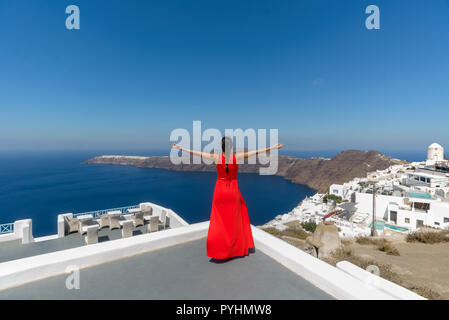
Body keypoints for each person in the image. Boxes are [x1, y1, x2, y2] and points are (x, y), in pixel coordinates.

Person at [173, 137, 283, 261]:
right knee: (234, 220)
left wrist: (181, 148)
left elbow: (196, 153)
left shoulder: (216, 157)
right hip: (233, 191)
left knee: (219, 221)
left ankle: (219, 250)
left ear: (222, 146)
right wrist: (273, 147)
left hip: (220, 191)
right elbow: (257, 152)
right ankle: (236, 249)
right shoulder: (237, 157)